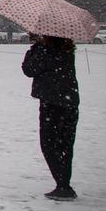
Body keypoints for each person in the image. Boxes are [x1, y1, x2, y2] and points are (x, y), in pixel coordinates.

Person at [21, 34, 80, 200]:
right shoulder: (66, 49)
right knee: (65, 145)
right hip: (69, 102)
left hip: (52, 103)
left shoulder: (44, 50)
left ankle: (62, 185)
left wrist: (34, 48)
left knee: (49, 143)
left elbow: (28, 69)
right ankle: (64, 182)